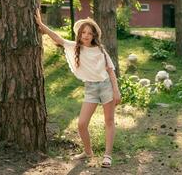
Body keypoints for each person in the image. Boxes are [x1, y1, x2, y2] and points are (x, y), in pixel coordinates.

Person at [35, 9, 121, 168]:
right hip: (91, 89)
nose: (86, 35)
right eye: (83, 32)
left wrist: (116, 91)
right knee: (82, 124)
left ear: (94, 35)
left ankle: (108, 155)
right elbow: (57, 38)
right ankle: (88, 152)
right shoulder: (75, 47)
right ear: (79, 34)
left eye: (89, 33)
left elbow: (110, 71)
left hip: (106, 86)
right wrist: (41, 25)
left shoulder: (101, 50)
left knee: (109, 121)